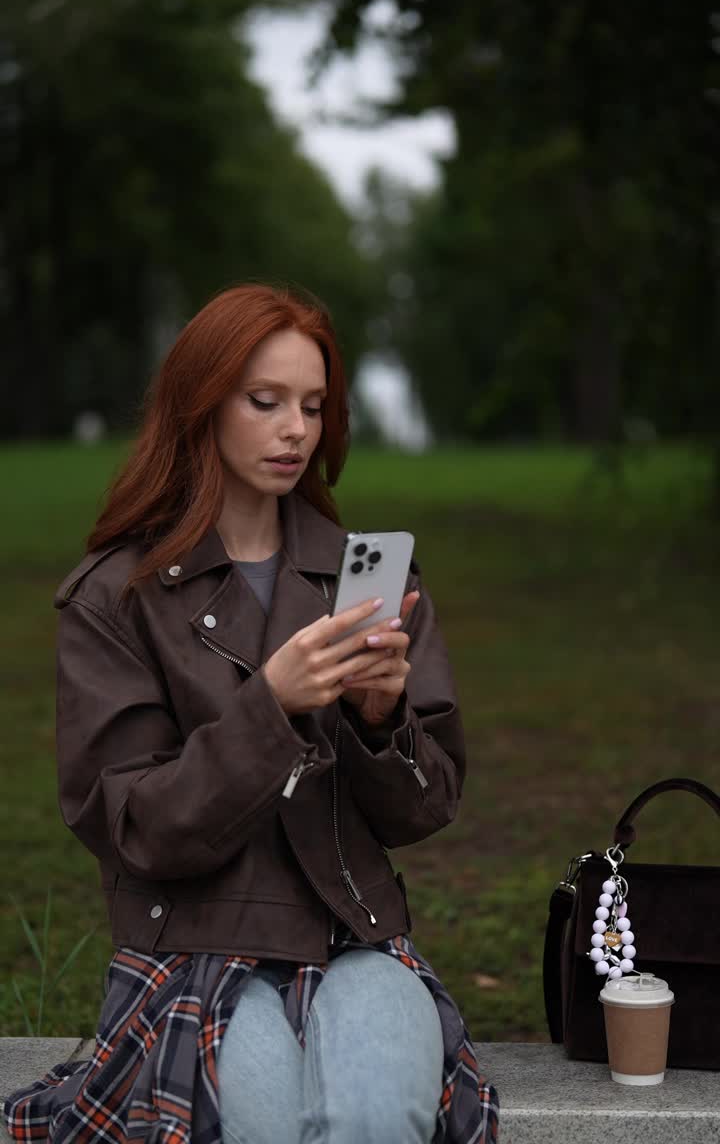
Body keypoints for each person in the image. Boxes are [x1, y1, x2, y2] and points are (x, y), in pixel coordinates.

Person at [2, 283, 499, 1144]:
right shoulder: (114, 599)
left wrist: (381, 719)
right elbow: (137, 827)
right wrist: (270, 706)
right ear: (200, 406)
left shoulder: (361, 581)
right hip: (192, 954)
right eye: (265, 402)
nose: (296, 430)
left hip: (357, 942)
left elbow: (427, 806)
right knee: (264, 1123)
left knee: (378, 1118)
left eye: (312, 406)